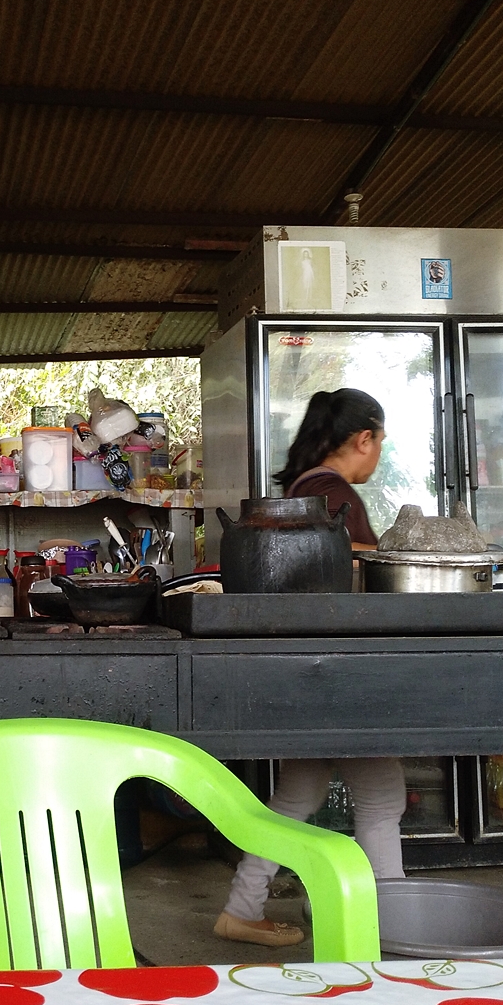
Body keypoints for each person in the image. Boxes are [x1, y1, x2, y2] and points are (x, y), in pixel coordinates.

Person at [215, 387, 408, 948]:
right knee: (382, 796)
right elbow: (356, 578)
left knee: (296, 797)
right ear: (363, 438)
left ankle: (241, 909)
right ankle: (392, 923)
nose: (378, 454)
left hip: (302, 668)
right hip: (336, 669)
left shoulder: (305, 490)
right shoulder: (332, 496)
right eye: (380, 442)